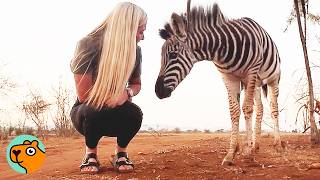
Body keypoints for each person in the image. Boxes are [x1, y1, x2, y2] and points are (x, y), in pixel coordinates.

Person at [70, 2, 147, 174]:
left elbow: (137, 84)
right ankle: (90, 153)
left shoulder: (136, 51)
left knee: (135, 114)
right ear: (129, 26)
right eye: (141, 31)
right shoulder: (87, 45)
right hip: (86, 110)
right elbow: (84, 96)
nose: (142, 37)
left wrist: (127, 93)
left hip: (117, 107)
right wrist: (110, 98)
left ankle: (121, 153)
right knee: (93, 110)